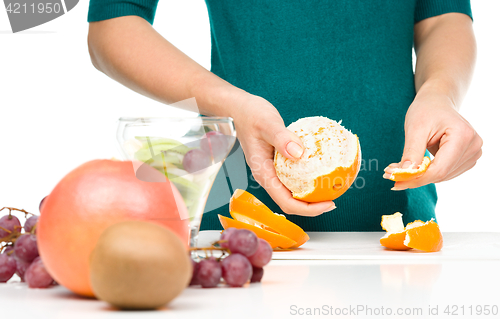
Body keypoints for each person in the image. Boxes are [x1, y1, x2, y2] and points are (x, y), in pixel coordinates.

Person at [87, 0, 482, 231]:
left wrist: (440, 94)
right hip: (237, 226)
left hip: (397, 230)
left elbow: (445, 17)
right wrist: (226, 101)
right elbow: (114, 25)